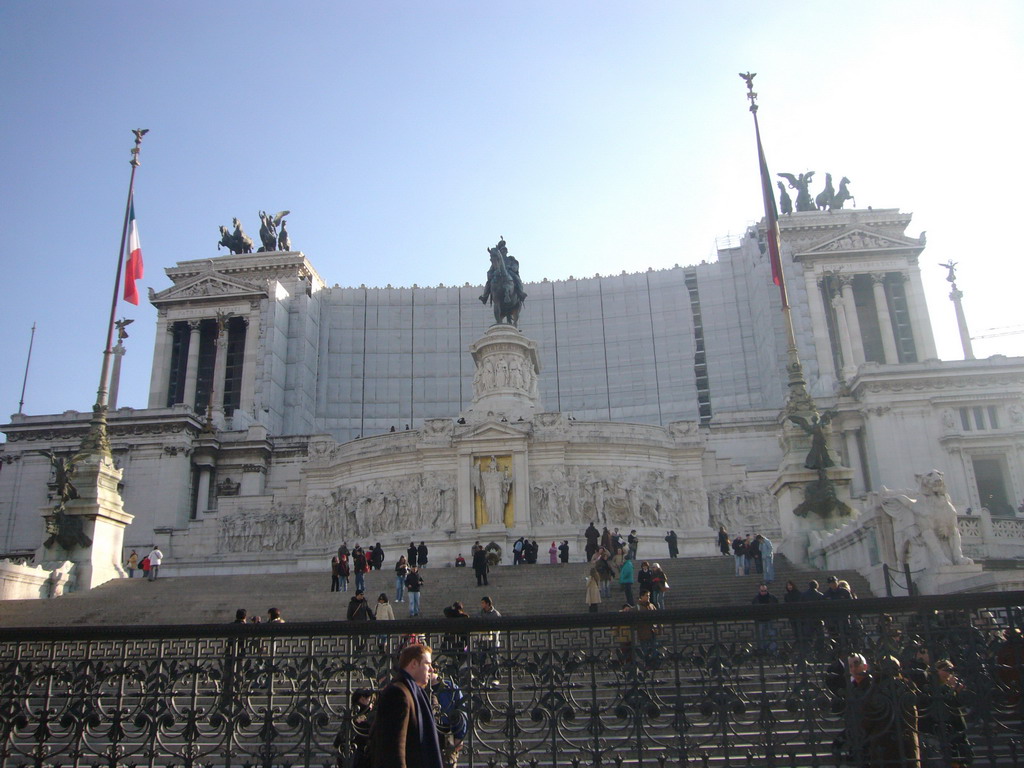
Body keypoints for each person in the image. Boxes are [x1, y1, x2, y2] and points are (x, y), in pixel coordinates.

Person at [365, 644, 444, 768]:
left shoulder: (412, 692)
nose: (432, 670)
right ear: (413, 664)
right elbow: (393, 747)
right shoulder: (398, 693)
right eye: (427, 664)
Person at [429, 667, 468, 768]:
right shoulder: (419, 686)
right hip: (427, 732)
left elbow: (461, 711)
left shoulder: (449, 687)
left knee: (448, 763)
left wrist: (459, 736)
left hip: (447, 731)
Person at [752, 583, 778, 651]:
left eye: (765, 591)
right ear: (759, 590)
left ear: (767, 590)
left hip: (770, 618)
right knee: (761, 636)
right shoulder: (755, 599)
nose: (763, 592)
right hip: (760, 620)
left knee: (772, 636)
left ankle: (772, 650)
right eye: (762, 591)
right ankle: (762, 650)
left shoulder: (772, 597)